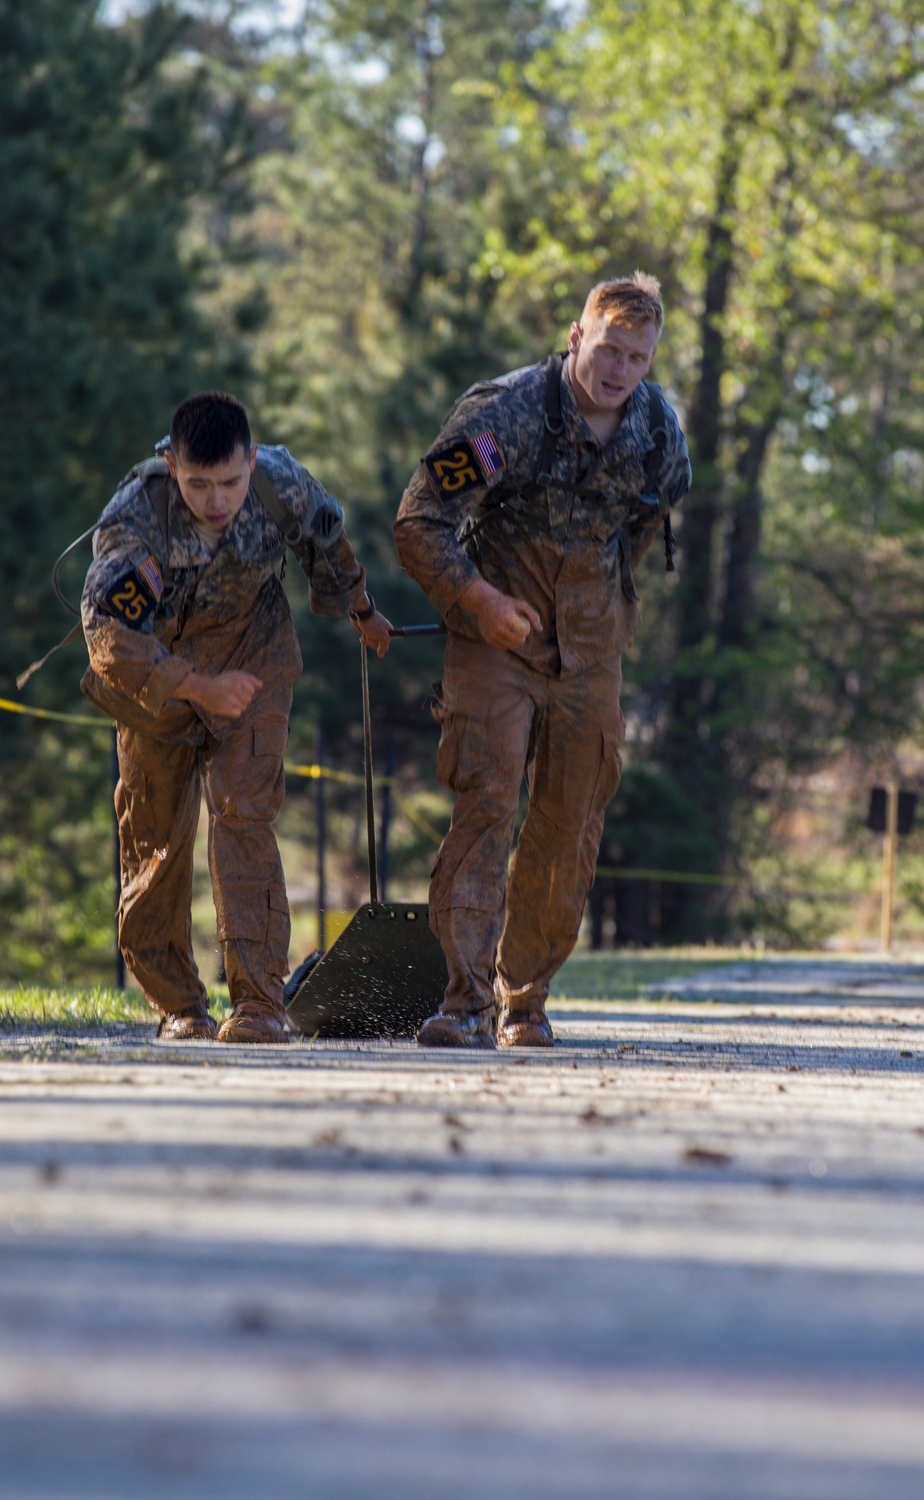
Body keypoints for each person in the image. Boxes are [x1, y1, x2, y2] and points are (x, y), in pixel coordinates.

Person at [394, 274, 691, 1048]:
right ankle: (462, 1002)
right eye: (608, 348)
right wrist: (482, 603)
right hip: (500, 634)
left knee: (569, 821)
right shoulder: (506, 416)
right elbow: (418, 520)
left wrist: (606, 607)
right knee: (488, 800)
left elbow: (648, 522)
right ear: (575, 337)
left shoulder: (659, 434)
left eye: (638, 355)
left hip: (592, 649)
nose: (620, 368)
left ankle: (524, 1000)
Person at [81, 392, 391, 1043]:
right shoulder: (139, 516)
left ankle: (258, 1003)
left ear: (252, 460)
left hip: (255, 659)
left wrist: (361, 610)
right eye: (199, 484)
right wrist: (195, 684)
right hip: (157, 685)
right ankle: (179, 1005)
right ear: (171, 464)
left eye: (230, 481)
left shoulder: (283, 482)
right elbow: (109, 633)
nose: (217, 499)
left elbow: (328, 543)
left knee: (243, 812)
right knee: (158, 840)